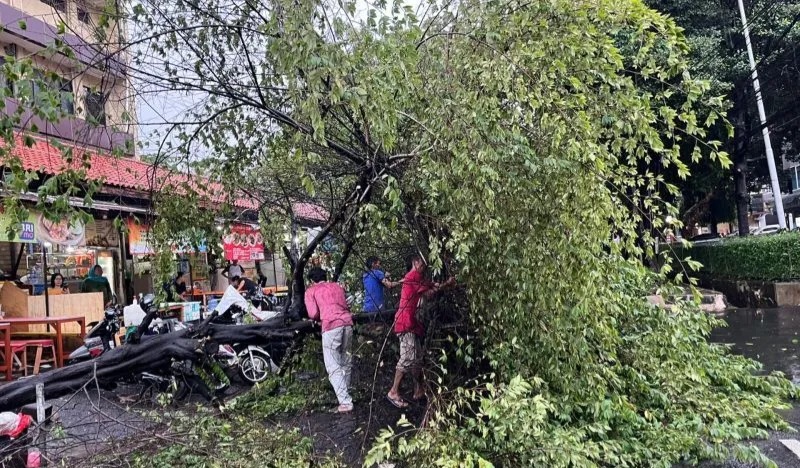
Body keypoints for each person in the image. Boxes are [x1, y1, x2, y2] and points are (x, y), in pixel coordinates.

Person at [386, 255, 454, 409]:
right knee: (408, 357)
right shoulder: (413, 276)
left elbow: (431, 285)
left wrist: (443, 284)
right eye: (422, 264)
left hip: (412, 323)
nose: (424, 267)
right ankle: (393, 391)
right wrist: (446, 285)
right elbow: (429, 293)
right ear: (415, 262)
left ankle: (419, 390)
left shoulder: (418, 277)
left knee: (417, 358)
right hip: (405, 323)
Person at [304, 267, 354, 413]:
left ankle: (345, 401)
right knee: (346, 360)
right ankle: (345, 392)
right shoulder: (337, 286)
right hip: (347, 323)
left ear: (312, 280)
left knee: (333, 365)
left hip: (331, 325)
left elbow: (313, 313)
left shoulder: (311, 291)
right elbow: (345, 305)